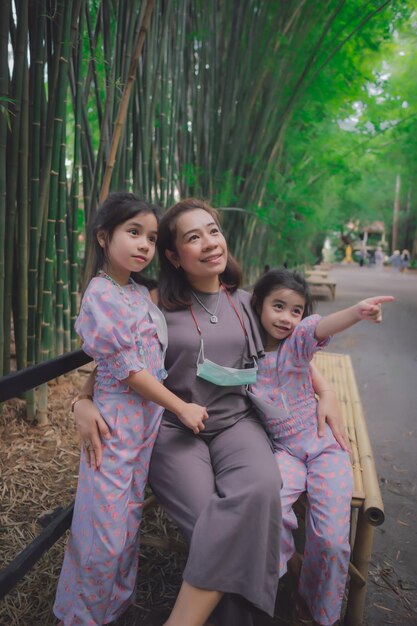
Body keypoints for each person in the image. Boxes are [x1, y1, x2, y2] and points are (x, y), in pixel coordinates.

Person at [73, 198, 349, 626]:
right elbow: (117, 360)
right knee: (215, 524)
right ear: (173, 256)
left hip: (238, 425)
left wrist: (326, 390)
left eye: (213, 231)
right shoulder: (152, 301)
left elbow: (291, 353)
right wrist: (82, 401)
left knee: (261, 490)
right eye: (192, 237)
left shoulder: (247, 301)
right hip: (171, 430)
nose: (208, 243)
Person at [53, 192, 208, 626]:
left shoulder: (140, 293)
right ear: (104, 237)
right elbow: (126, 370)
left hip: (145, 425)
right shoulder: (101, 295)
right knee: (101, 533)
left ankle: (113, 610)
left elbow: (126, 360)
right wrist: (183, 408)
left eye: (151, 238)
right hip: (116, 423)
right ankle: (83, 617)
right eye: (133, 232)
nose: (143, 245)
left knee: (124, 527)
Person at [249, 268, 393, 626]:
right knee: (266, 512)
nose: (286, 318)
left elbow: (321, 327)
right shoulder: (244, 353)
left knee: (331, 540)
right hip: (283, 452)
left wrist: (356, 313)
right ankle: (290, 569)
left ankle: (316, 612)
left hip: (324, 448)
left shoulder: (297, 345)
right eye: (278, 306)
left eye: (295, 310)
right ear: (258, 305)